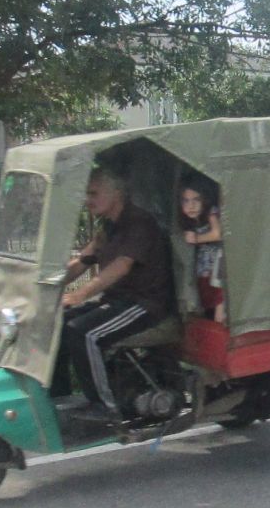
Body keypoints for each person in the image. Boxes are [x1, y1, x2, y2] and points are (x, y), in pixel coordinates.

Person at [51, 168, 172, 419]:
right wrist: (47, 286)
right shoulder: (108, 226)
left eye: (94, 193)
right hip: (118, 301)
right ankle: (58, 396)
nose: (88, 199)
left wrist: (80, 294)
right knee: (57, 322)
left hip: (144, 304)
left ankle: (104, 406)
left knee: (84, 333)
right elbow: (82, 262)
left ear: (116, 193)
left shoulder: (140, 223)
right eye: (86, 193)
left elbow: (122, 265)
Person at [179, 177, 225, 322]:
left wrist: (197, 239)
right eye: (186, 201)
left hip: (217, 271)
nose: (190, 206)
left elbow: (218, 233)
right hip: (203, 272)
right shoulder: (190, 222)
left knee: (219, 314)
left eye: (196, 200)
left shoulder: (211, 212)